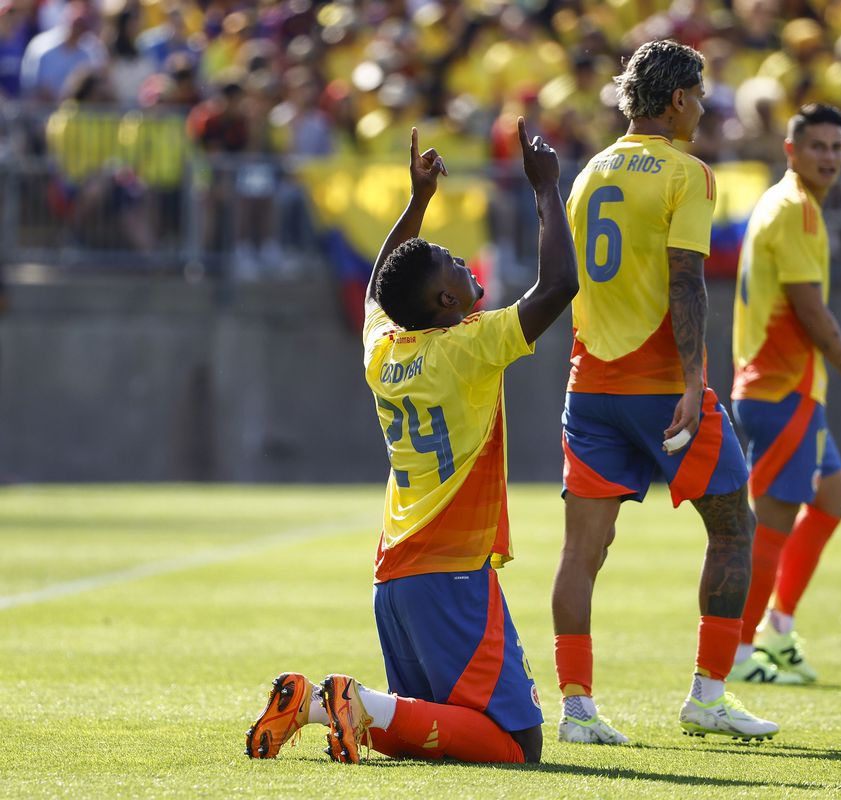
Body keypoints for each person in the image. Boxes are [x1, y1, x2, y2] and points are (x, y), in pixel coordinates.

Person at [244, 119, 577, 765]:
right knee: (517, 744)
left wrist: (418, 200)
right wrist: (546, 190)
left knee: (436, 730)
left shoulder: (384, 347)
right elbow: (559, 287)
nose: (465, 261)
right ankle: (355, 700)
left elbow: (379, 289)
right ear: (448, 297)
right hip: (451, 571)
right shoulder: (468, 347)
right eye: (456, 262)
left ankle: (315, 705)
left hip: (395, 575)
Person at [552, 39, 777, 745]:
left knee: (580, 555)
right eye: (701, 96)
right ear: (678, 99)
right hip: (661, 387)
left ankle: (577, 710)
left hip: (589, 386)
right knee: (734, 527)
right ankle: (708, 695)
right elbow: (685, 280)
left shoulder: (588, 172)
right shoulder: (688, 172)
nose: (704, 109)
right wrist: (693, 378)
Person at [728, 104, 841, 685]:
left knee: (832, 496)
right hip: (779, 390)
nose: (828, 156)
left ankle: (779, 627)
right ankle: (740, 656)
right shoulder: (795, 210)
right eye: (816, 146)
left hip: (789, 388)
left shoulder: (788, 204)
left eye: (837, 146)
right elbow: (810, 311)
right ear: (791, 150)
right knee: (770, 522)